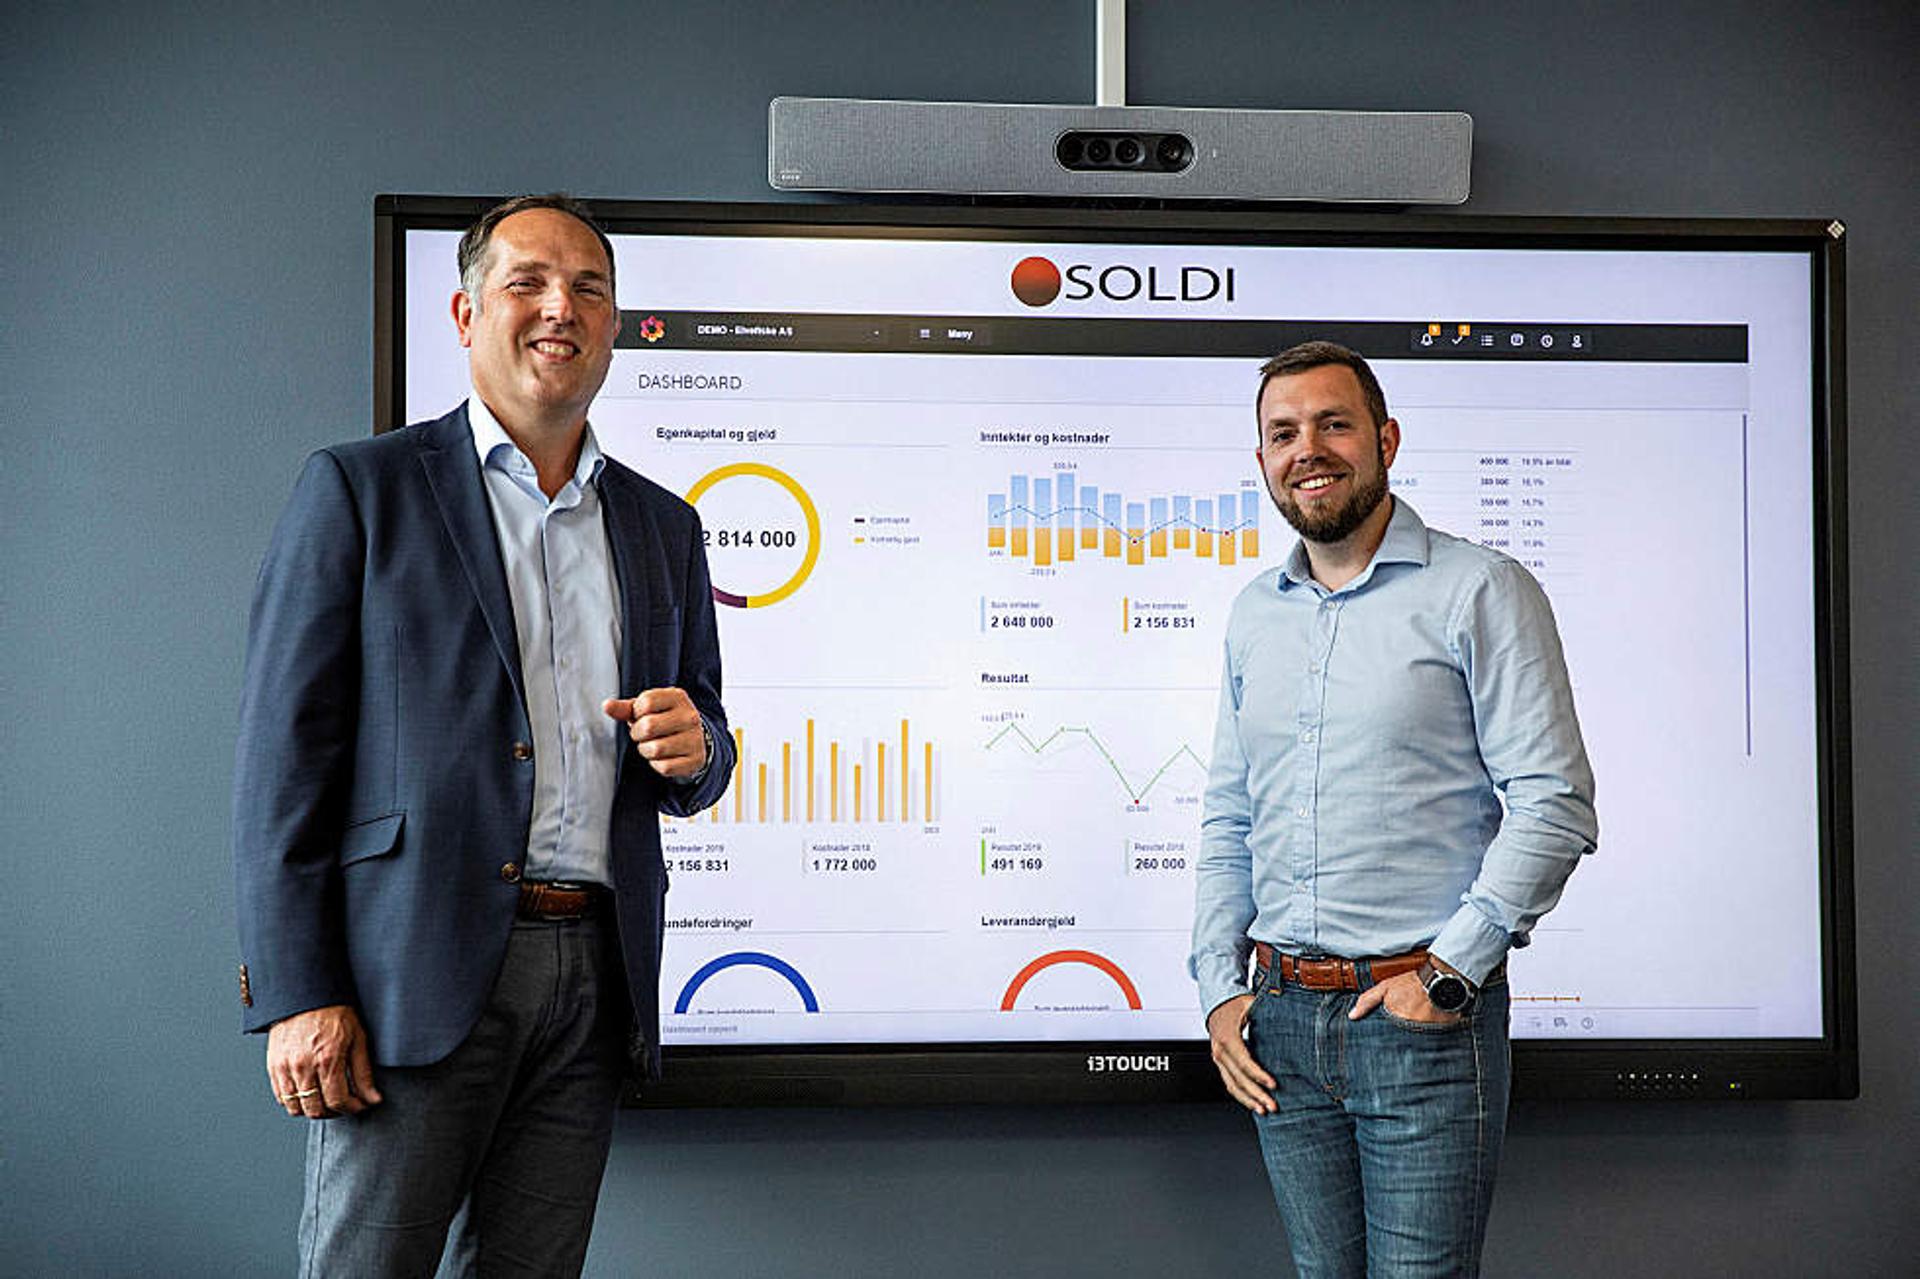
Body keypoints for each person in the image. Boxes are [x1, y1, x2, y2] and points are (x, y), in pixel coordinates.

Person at [233, 193, 734, 1276]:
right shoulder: (361, 490)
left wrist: (700, 749)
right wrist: (299, 991)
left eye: (589, 289)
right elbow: (283, 762)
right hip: (409, 975)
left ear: (615, 325)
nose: (562, 308)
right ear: (466, 316)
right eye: (529, 283)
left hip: (594, 974)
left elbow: (705, 739)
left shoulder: (665, 524)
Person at [1191, 341, 1597, 1278]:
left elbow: (1555, 801)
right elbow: (1230, 814)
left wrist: (1449, 974)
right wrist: (1218, 986)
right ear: (1263, 460)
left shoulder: (1480, 588)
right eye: (1283, 433)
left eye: (1332, 423)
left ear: (1386, 439)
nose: (1308, 449)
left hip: (1420, 1024)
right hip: (1280, 1026)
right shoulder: (1255, 612)